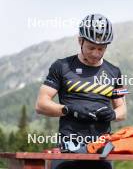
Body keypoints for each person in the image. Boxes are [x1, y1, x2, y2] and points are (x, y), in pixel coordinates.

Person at [35, 13, 127, 169]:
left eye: (101, 48)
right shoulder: (62, 66)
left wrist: (113, 114)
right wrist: (69, 110)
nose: (96, 53)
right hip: (69, 148)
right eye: (91, 47)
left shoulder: (114, 71)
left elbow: (123, 110)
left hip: (102, 149)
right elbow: (41, 104)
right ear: (80, 41)